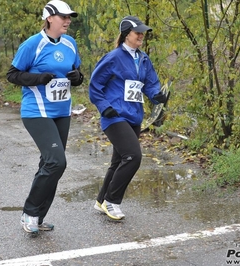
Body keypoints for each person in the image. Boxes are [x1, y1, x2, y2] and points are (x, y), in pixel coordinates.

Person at [6, 0, 83, 234]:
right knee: (56, 161)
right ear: (50, 18)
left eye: (70, 17)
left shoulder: (70, 43)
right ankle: (29, 213)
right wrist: (38, 78)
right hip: (36, 112)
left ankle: (38, 217)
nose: (68, 20)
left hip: (62, 112)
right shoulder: (33, 44)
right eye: (63, 17)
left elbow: (79, 74)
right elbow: (12, 75)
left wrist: (77, 77)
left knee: (50, 164)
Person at [89, 16, 167, 220]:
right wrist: (105, 108)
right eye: (137, 32)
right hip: (114, 116)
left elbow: (150, 83)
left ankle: (100, 201)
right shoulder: (113, 57)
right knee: (133, 156)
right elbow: (94, 86)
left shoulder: (143, 58)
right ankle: (111, 202)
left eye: (143, 32)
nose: (141, 35)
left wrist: (156, 95)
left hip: (134, 116)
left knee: (118, 161)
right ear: (126, 35)